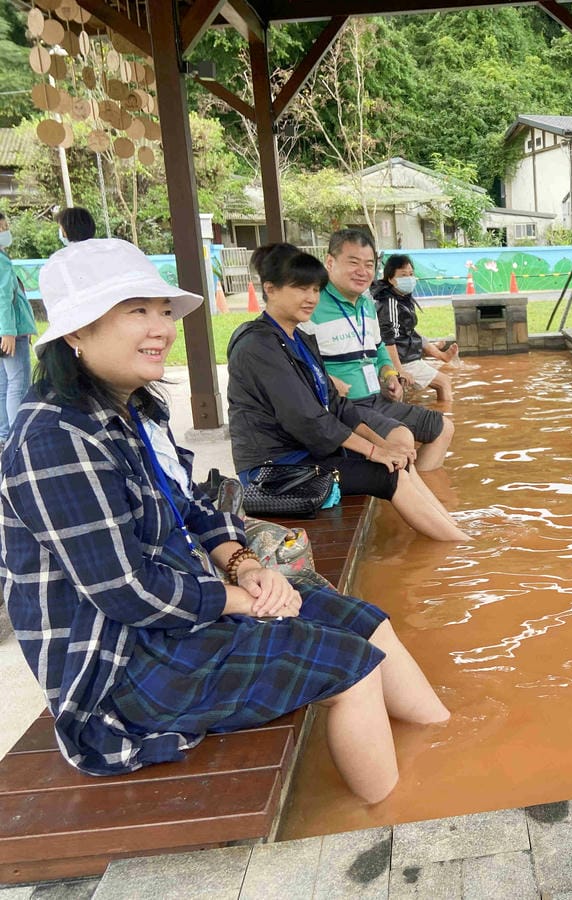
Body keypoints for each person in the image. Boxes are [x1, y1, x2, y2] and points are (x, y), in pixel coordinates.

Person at [0, 238, 449, 804]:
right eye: (136, 311)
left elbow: (192, 505)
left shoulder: (133, 407)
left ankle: (446, 747)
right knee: (351, 668)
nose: (160, 327)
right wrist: (247, 600)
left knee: (362, 619)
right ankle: (395, 822)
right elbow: (128, 592)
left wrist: (242, 563)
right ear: (75, 333)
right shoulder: (54, 441)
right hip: (117, 664)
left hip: (184, 606)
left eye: (163, 311)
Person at [227, 243, 466, 542]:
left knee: (399, 460)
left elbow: (337, 406)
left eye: (315, 289)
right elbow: (308, 419)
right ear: (270, 289)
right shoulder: (258, 345)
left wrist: (383, 446)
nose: (311, 298)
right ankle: (459, 546)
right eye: (300, 289)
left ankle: (458, 535)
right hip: (275, 469)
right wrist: (375, 451)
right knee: (387, 473)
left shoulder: (298, 338)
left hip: (307, 454)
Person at [300, 230, 454, 470]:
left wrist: (389, 374)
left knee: (443, 426)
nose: (362, 271)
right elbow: (296, 362)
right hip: (346, 407)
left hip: (378, 399)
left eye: (369, 264)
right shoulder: (312, 306)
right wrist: (328, 380)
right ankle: (411, 498)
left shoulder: (367, 304)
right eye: (353, 263)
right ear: (330, 262)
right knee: (401, 439)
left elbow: (379, 347)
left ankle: (423, 494)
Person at [371, 254, 454, 404]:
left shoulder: (401, 297)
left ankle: (440, 355)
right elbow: (388, 340)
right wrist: (398, 370)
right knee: (444, 382)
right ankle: (447, 417)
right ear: (390, 279)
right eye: (403, 275)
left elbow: (408, 331)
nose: (409, 278)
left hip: (406, 354)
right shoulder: (390, 302)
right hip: (403, 360)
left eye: (411, 274)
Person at [0, 212, 36, 450]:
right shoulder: (1, 260)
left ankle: (5, 434)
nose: (6, 231)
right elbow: (4, 296)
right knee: (18, 383)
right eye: (3, 226)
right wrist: (9, 331)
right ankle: (19, 436)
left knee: (3, 385)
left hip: (5, 331)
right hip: (10, 333)